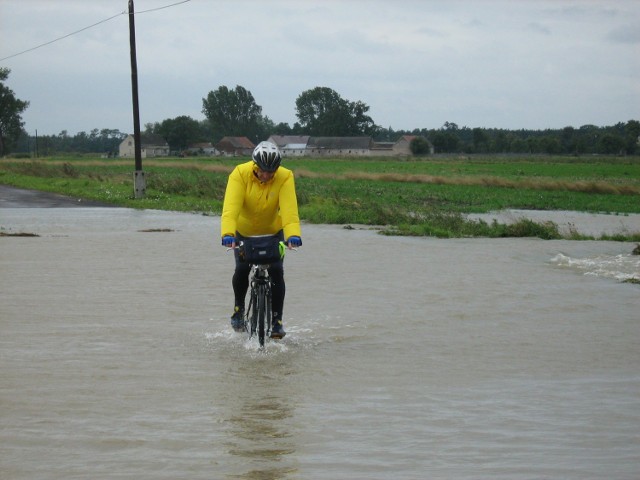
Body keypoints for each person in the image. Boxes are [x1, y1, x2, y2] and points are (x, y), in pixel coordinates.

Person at [220, 141, 302, 338]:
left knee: (277, 271)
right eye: (263, 171)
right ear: (255, 165)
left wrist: (293, 235)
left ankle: (277, 321)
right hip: (243, 232)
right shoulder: (240, 174)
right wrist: (228, 234)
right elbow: (230, 210)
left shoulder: (285, 176)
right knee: (242, 268)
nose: (267, 175)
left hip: (273, 232)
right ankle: (239, 310)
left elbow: (289, 212)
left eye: (271, 171)